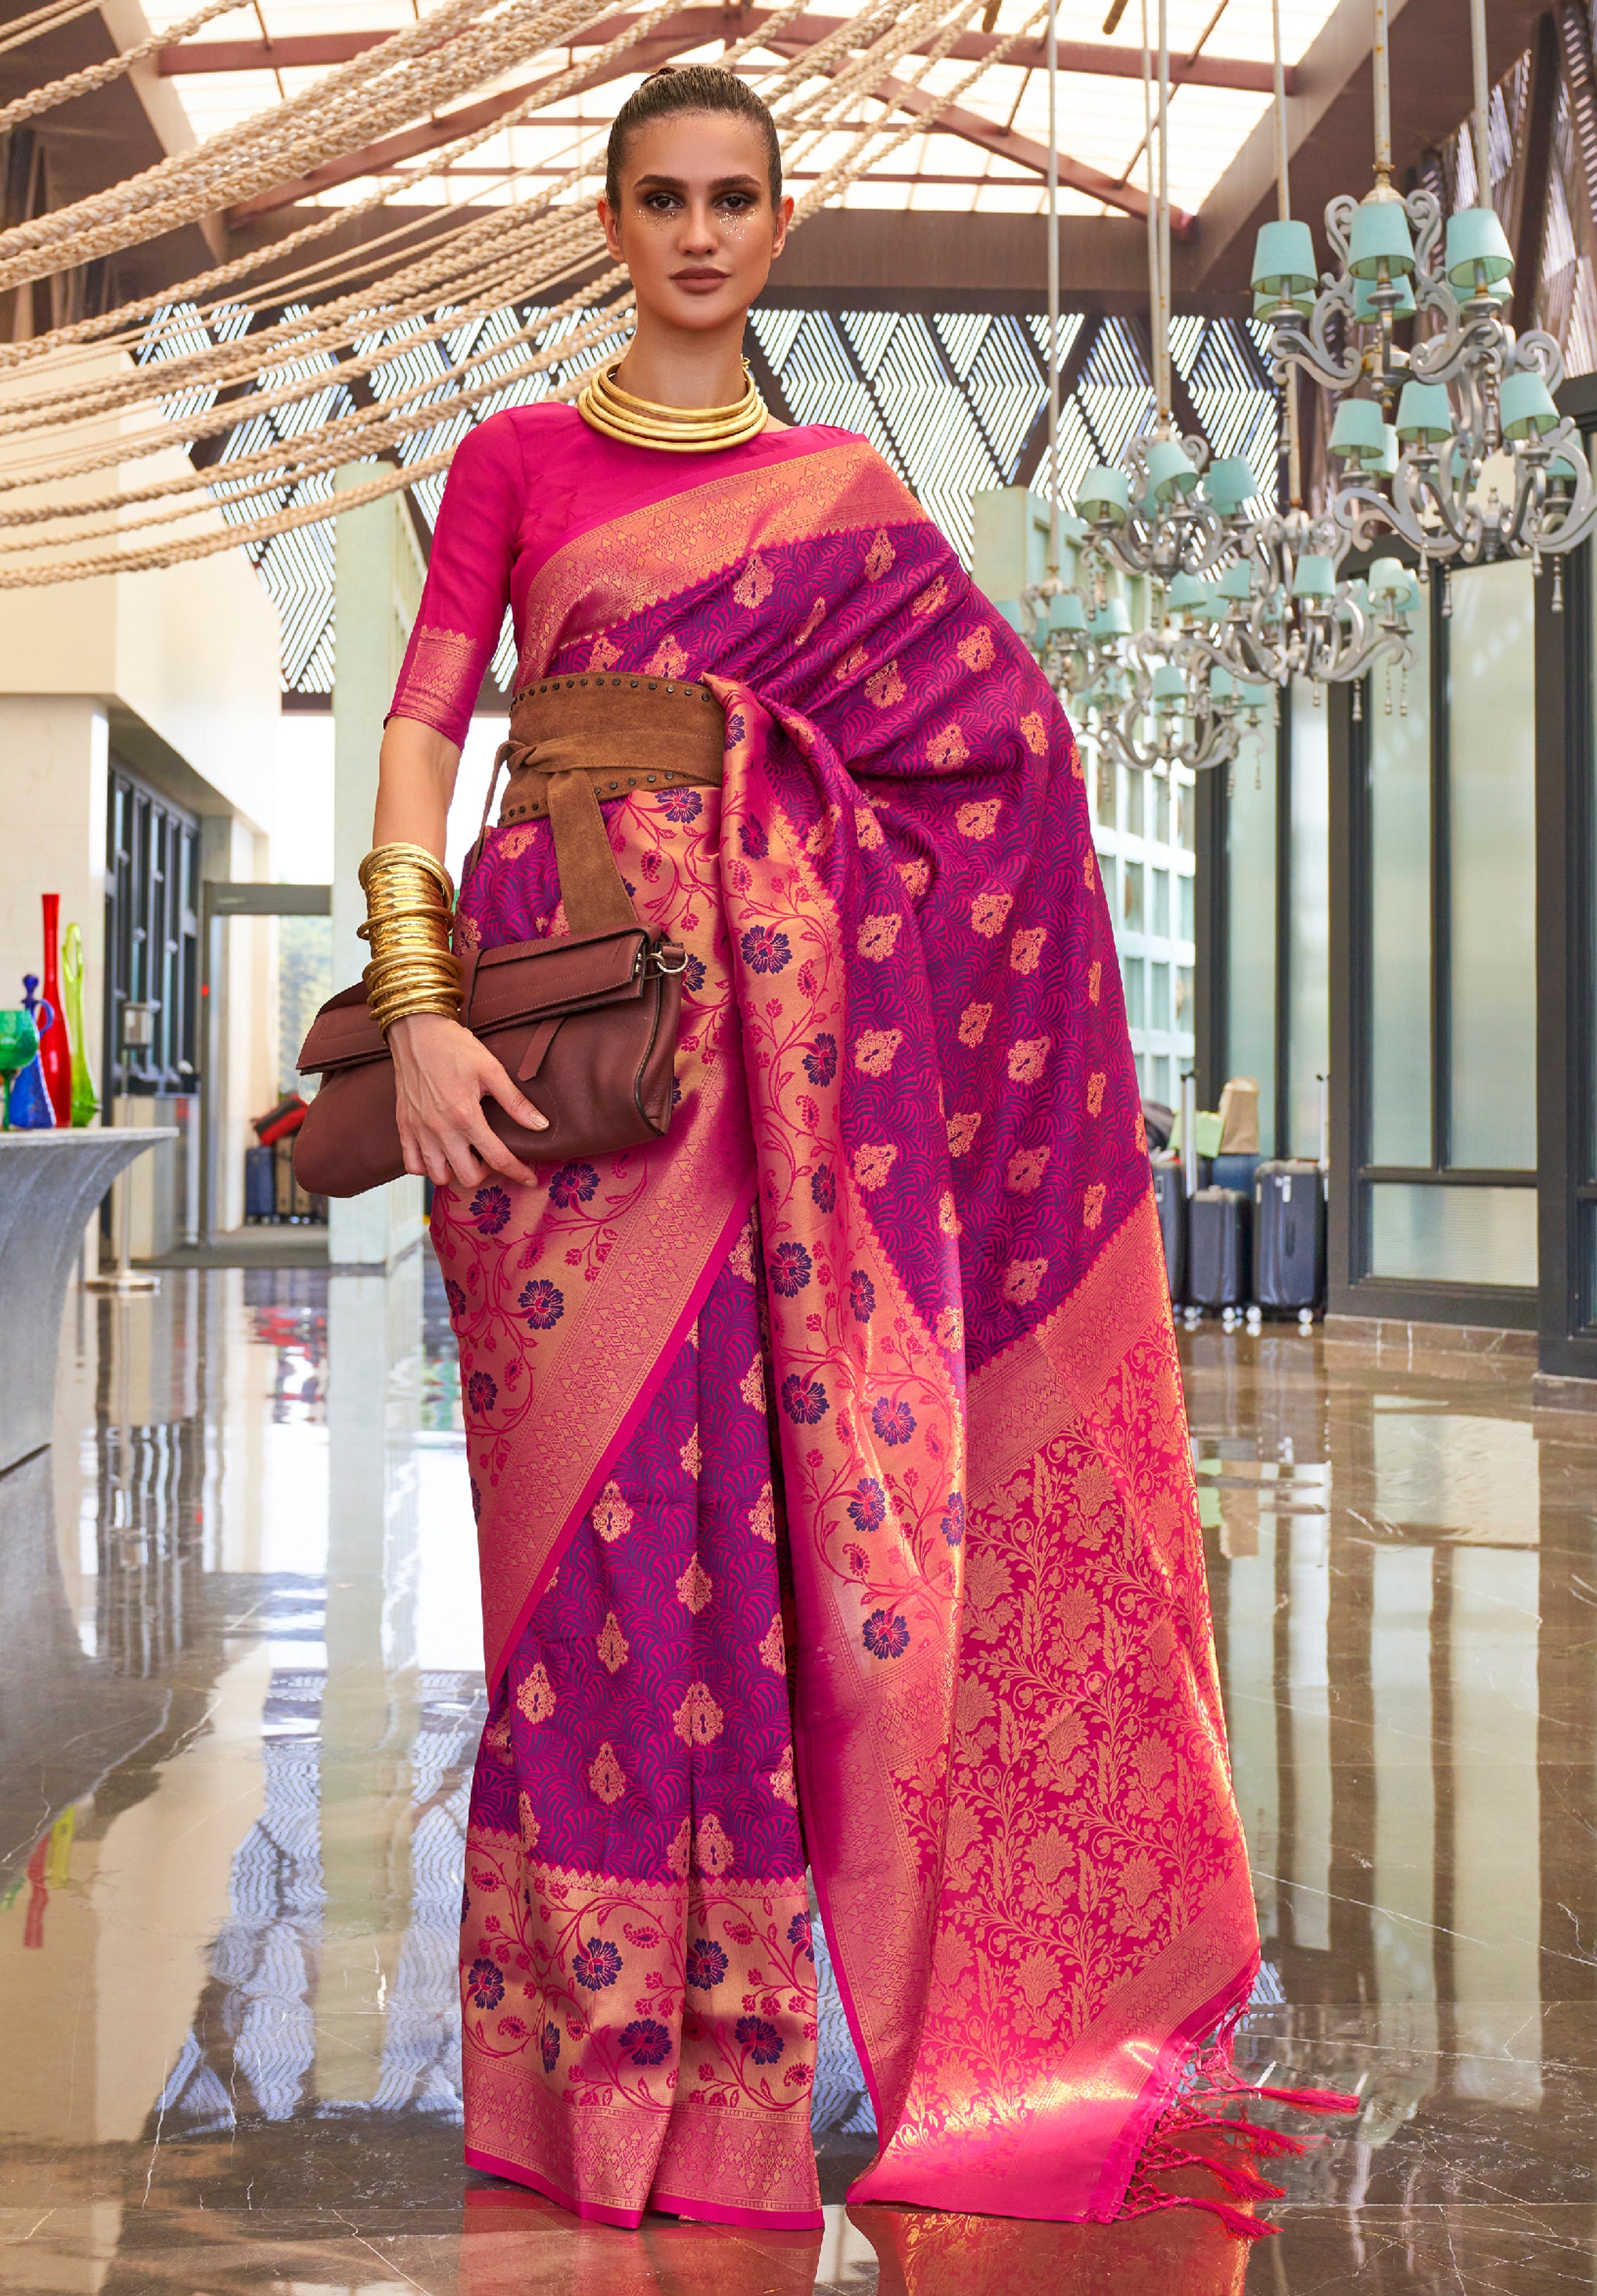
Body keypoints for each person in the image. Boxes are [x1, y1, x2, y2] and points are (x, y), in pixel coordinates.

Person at [363, 61, 1279, 2237]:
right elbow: (420, 722)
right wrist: (409, 1007)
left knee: (757, 1564)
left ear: (778, 229)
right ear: (610, 222)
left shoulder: (841, 488)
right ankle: (587, 2079)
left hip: (774, 1084)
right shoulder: (512, 461)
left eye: (734, 200)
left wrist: (807, 890)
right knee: (578, 1563)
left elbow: (1007, 760)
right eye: (660, 198)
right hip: (555, 1062)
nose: (696, 232)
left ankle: (740, 2096)